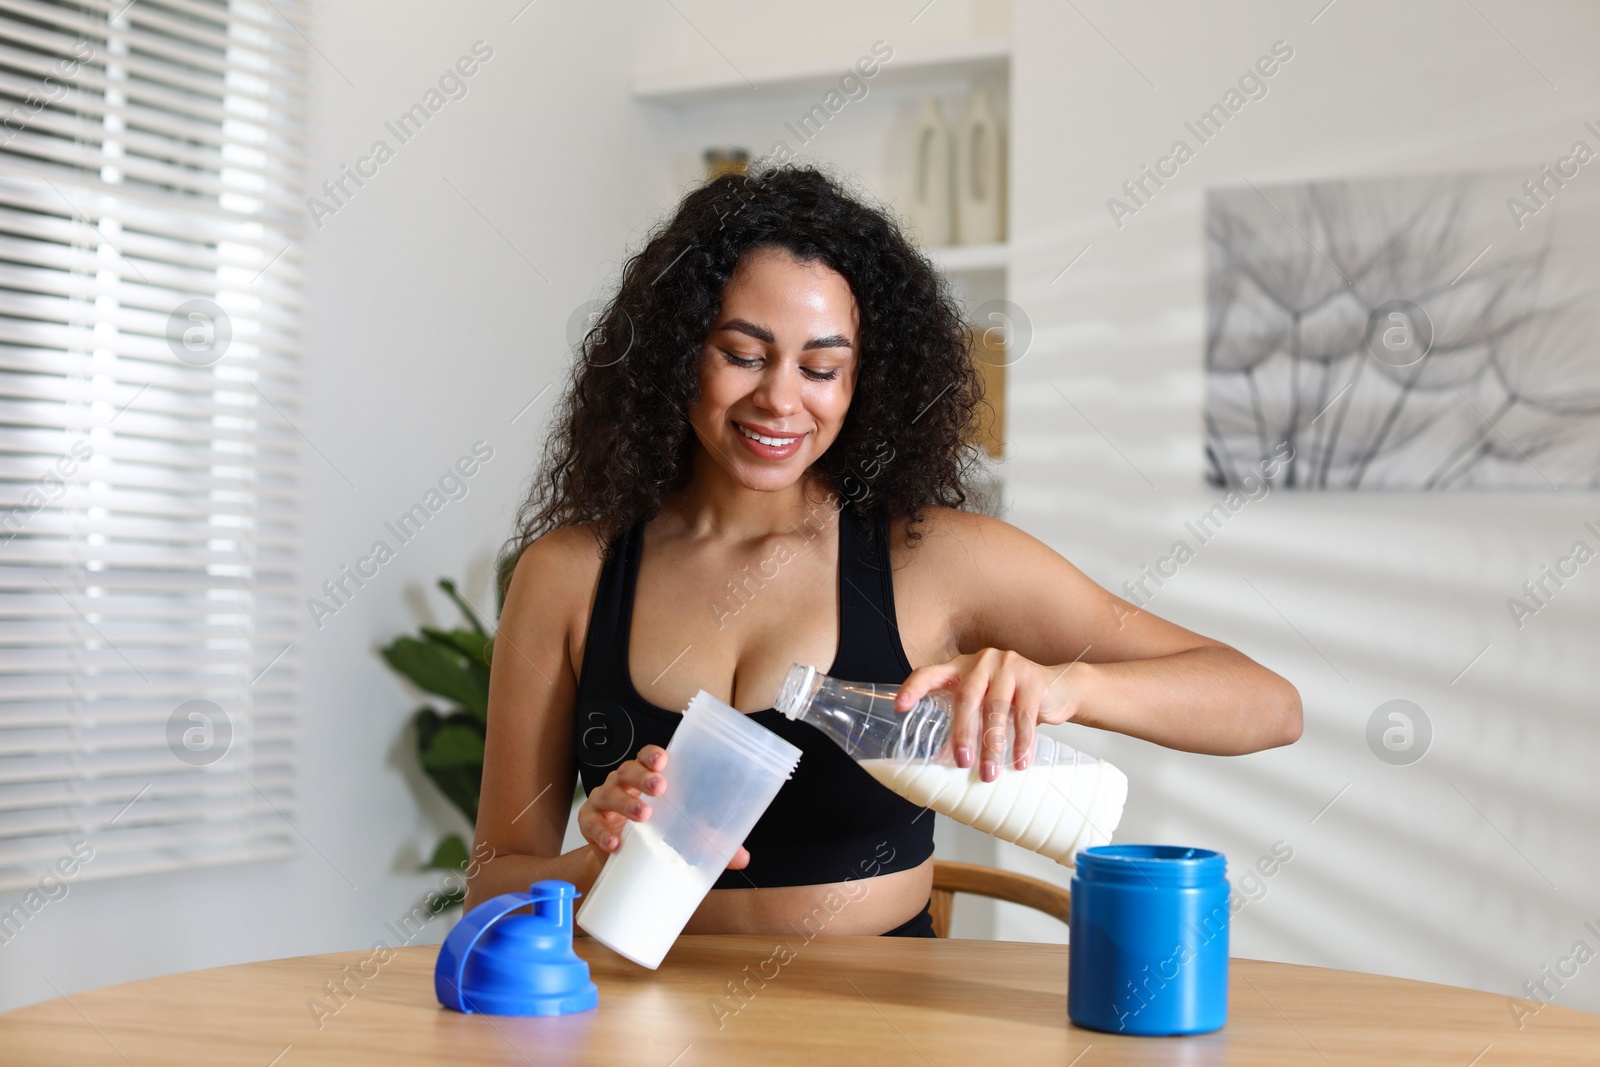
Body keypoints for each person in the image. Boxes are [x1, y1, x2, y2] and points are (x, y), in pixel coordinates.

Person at [464, 164, 1302, 936]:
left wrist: (1065, 686)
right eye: (744, 355)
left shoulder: (930, 558)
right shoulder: (571, 576)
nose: (780, 399)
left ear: (867, 379)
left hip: (886, 1031)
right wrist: (597, 858)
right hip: (637, 1023)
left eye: (821, 368)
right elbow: (494, 882)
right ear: (676, 353)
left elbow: (1267, 705)